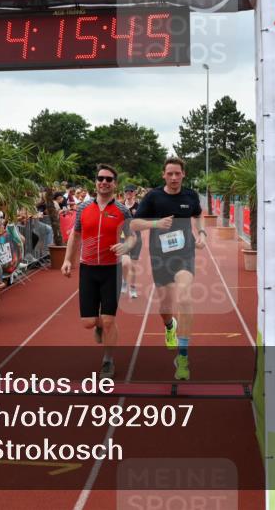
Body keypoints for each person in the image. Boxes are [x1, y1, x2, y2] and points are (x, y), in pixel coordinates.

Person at [131, 157, 205, 380]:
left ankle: (182, 357)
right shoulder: (153, 197)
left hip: (185, 255)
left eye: (177, 173)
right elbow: (134, 223)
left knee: (184, 298)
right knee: (165, 306)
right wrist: (156, 223)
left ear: (183, 174)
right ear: (163, 175)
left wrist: (201, 233)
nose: (174, 177)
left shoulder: (190, 196)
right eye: (170, 173)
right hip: (160, 257)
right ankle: (169, 325)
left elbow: (198, 214)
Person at [61, 164, 136, 379]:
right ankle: (99, 326)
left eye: (109, 179)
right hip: (88, 269)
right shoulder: (83, 208)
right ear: (95, 182)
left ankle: (108, 360)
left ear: (115, 184)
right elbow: (75, 235)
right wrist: (67, 260)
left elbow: (133, 237)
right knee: (89, 323)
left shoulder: (122, 210)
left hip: (112, 270)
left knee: (109, 320)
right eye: (100, 178)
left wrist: (125, 245)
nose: (104, 182)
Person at [120, 185, 142, 299]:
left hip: (136, 238)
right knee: (124, 263)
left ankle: (132, 287)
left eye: (131, 191)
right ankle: (124, 281)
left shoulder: (139, 206)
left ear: (134, 193)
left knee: (133, 266)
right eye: (126, 191)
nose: (128, 193)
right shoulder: (120, 206)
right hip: (123, 238)